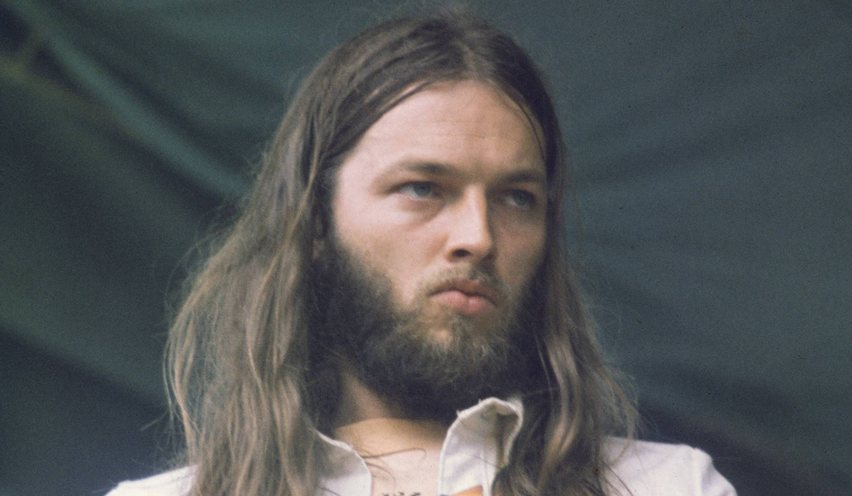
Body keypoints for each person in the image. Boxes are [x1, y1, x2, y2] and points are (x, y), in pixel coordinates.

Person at [108, 10, 735, 496]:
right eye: (422, 189)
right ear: (316, 221)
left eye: (517, 198)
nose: (478, 236)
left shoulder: (670, 486)